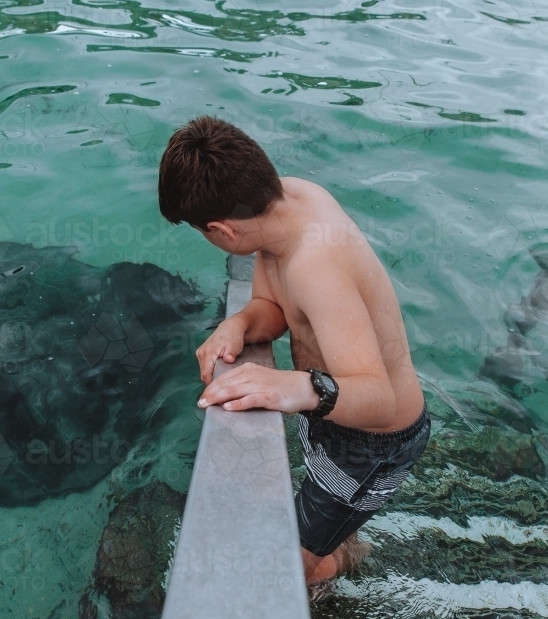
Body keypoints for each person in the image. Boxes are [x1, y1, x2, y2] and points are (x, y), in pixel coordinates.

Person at [157, 116, 430, 586]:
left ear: (224, 232)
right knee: (313, 523)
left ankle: (345, 559)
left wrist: (290, 385)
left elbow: (379, 398)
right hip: (328, 410)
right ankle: (337, 537)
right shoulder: (287, 203)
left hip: (370, 444)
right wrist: (238, 323)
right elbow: (277, 307)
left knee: (289, 570)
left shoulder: (316, 265)